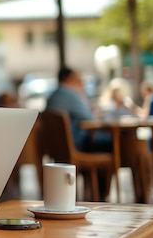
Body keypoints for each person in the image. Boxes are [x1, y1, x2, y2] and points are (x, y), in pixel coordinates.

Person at [45, 67, 113, 199]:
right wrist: (82, 97)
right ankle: (100, 196)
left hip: (59, 150)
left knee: (102, 143)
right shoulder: (70, 95)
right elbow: (90, 119)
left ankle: (94, 192)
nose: (82, 83)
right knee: (111, 145)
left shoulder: (52, 97)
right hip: (77, 147)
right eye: (79, 80)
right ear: (70, 80)